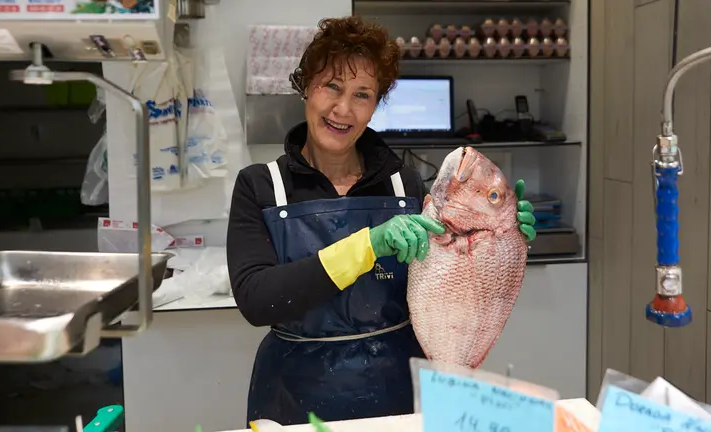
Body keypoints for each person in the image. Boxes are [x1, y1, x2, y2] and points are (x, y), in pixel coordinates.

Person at [226, 16, 537, 426]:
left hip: (395, 387)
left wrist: (499, 243)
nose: (343, 109)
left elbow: (444, 283)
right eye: (331, 87)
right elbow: (256, 299)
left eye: (362, 95)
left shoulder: (403, 184)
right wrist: (367, 245)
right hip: (293, 393)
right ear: (305, 88)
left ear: (376, 105)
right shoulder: (260, 186)